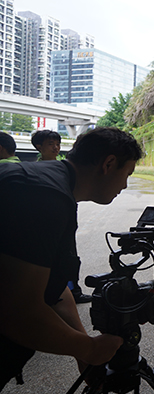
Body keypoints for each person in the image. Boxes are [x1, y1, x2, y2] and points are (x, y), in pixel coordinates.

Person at [0, 127, 143, 392]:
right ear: (109, 164)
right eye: (127, 175)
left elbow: (53, 287)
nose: (124, 186)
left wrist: (84, 351)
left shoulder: (55, 188)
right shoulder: (44, 195)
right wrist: (89, 348)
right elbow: (18, 311)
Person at [32, 129, 91, 303]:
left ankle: (74, 291)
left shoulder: (67, 168)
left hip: (67, 218)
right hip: (45, 221)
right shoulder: (34, 169)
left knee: (70, 253)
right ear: (38, 147)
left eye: (57, 144)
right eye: (51, 144)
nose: (56, 148)